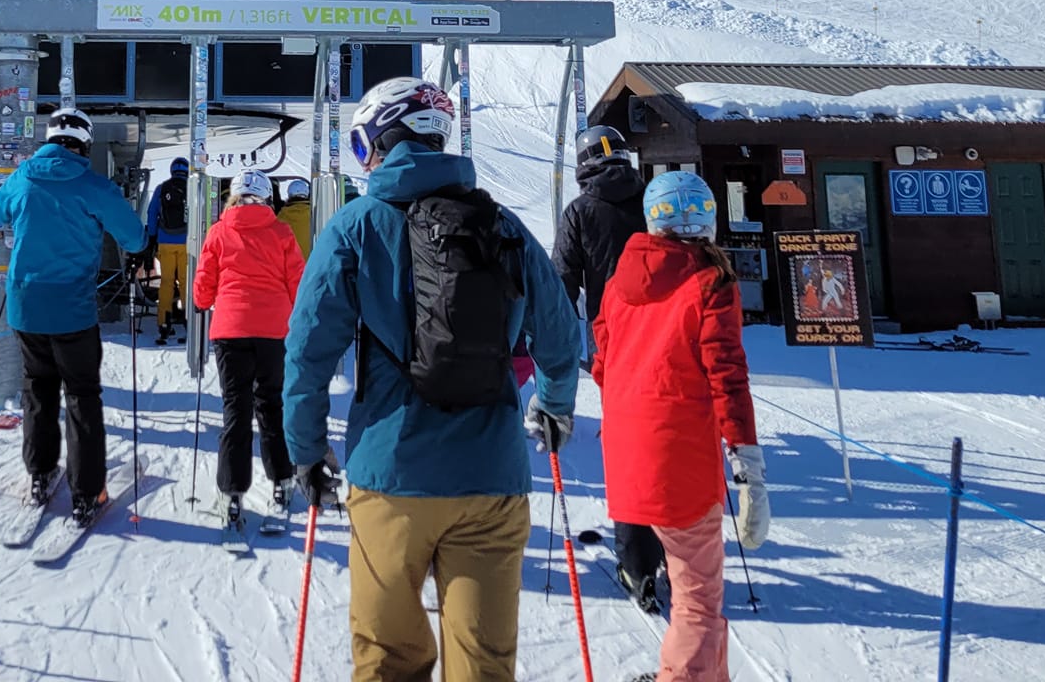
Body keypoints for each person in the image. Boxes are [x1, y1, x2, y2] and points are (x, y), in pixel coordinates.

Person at [284, 77, 581, 682]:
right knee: (483, 664)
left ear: (383, 139)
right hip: (492, 478)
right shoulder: (504, 226)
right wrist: (553, 405)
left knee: (389, 660)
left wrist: (307, 451)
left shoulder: (355, 225)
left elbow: (309, 350)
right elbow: (560, 335)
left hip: (390, 477)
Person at [595, 170, 770, 682]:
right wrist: (747, 464)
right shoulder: (709, 282)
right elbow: (727, 376)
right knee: (696, 595)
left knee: (701, 591)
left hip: (628, 452)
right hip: (679, 457)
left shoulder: (619, 281)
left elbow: (605, 363)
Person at [0, 106, 147, 530]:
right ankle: (87, 492)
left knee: (37, 389)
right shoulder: (92, 184)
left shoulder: (21, 177)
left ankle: (39, 476)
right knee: (81, 396)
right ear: (84, 141)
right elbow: (132, 234)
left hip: (25, 305)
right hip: (72, 308)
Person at [552, 125, 660, 611]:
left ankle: (636, 562)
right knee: (668, 438)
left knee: (628, 447)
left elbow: (563, 281)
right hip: (668, 332)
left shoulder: (581, 210)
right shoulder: (653, 197)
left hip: (612, 339)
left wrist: (551, 341)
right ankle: (672, 549)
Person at [191, 167, 305, 526]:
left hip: (230, 330)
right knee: (271, 404)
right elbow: (297, 282)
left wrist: (201, 301)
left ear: (234, 197)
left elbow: (203, 285)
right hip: (273, 330)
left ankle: (232, 490)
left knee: (235, 409)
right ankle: (282, 481)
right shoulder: (281, 231)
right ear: (267, 198)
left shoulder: (219, 231)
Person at [143, 156, 192, 344]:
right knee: (186, 283)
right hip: (188, 243)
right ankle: (189, 325)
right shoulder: (193, 189)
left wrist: (153, 237)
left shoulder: (161, 188)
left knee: (166, 283)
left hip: (165, 242)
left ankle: (164, 324)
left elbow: (151, 213)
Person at [276, 176, 314, 260]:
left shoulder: (282, 216)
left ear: (289, 195)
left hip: (290, 264)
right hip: (310, 264)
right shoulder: (314, 215)